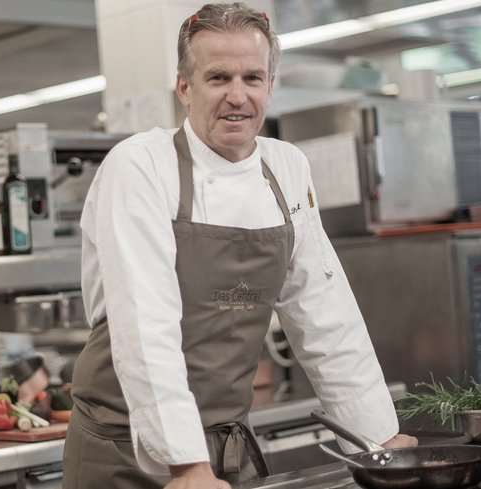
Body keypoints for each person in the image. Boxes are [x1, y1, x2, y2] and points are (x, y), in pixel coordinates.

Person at [62, 3, 417, 489]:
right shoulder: (141, 166)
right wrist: (186, 464)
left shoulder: (286, 167)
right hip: (126, 449)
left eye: (252, 77)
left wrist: (376, 437)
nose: (237, 96)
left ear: (270, 86)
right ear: (184, 88)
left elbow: (324, 313)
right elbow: (146, 325)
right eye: (217, 78)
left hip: (227, 448)